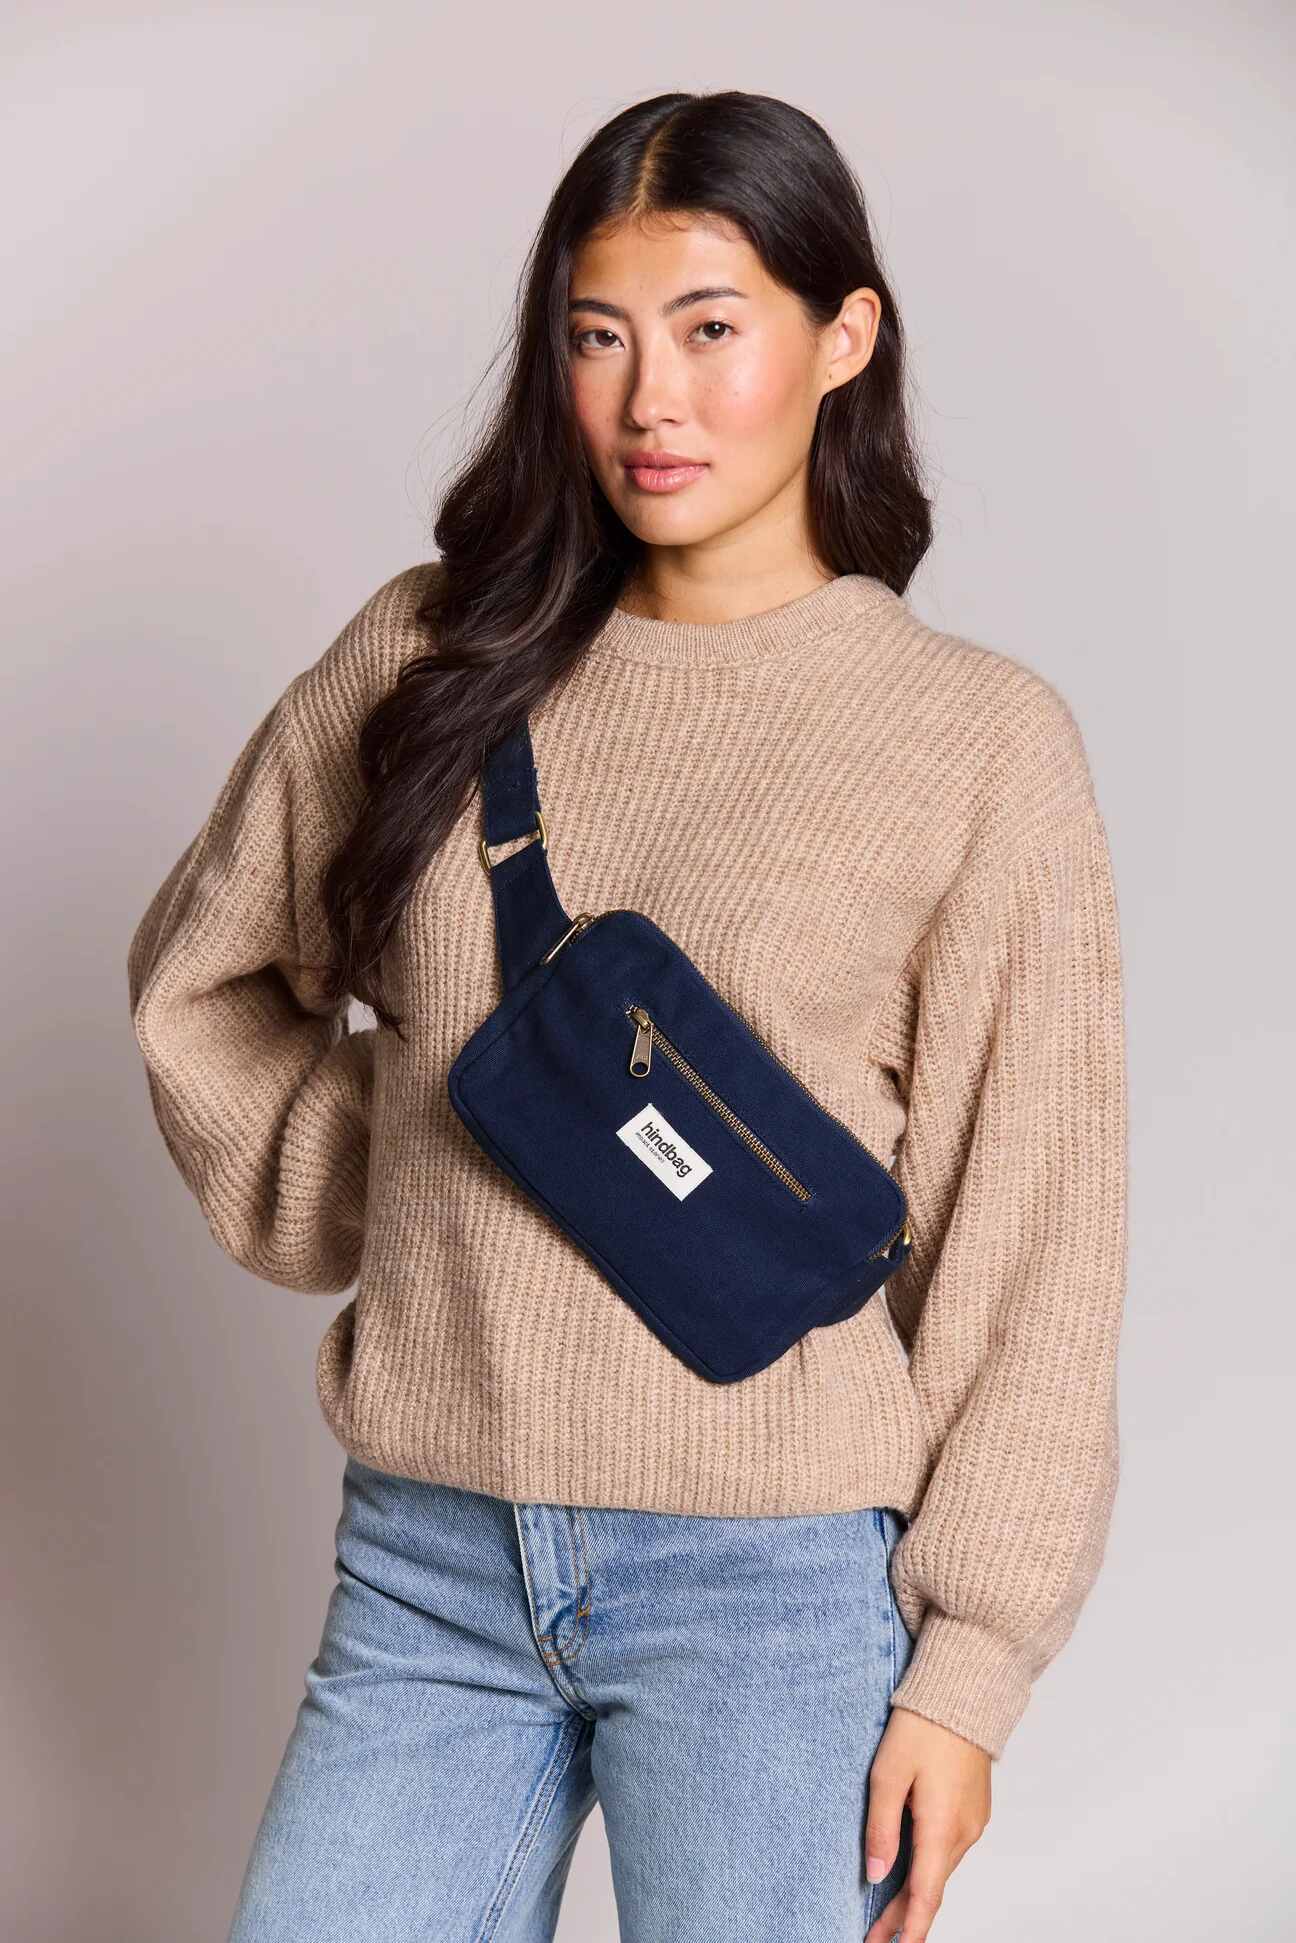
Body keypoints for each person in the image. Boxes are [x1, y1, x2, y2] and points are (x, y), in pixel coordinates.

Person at [125, 89, 1128, 1943]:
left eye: (710, 327)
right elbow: (205, 979)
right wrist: (416, 1178)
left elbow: (1035, 1243)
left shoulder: (978, 744)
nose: (650, 399)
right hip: (428, 1558)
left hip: (776, 1587)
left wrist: (971, 1672)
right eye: (599, 337)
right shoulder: (430, 656)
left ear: (845, 336)